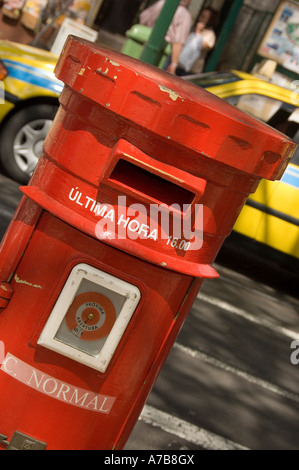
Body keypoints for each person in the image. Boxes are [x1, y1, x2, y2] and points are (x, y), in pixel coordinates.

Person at [140, 0, 193, 74]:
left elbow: (143, 18)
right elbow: (178, 42)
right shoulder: (185, 15)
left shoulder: (161, 3)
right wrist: (174, 64)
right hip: (163, 54)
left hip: (143, 43)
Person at [176, 7, 218, 76]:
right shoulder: (193, 28)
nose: (201, 17)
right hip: (180, 64)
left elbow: (202, 47)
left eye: (204, 16)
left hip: (192, 69)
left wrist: (198, 32)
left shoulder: (210, 34)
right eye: (201, 15)